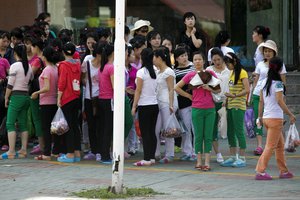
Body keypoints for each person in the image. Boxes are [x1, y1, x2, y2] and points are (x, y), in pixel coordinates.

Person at [175, 51, 220, 171]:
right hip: (196, 108)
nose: (197, 62)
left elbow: (218, 89)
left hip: (210, 108)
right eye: (195, 59)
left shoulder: (210, 73)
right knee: (198, 135)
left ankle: (207, 162)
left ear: (204, 61)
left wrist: (209, 88)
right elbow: (176, 87)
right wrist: (189, 96)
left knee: (208, 135)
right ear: (192, 61)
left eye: (200, 59)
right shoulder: (190, 75)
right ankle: (199, 161)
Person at [255, 57, 296, 180]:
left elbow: (261, 102)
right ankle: (260, 171)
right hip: (275, 119)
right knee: (271, 146)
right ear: (280, 68)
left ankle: (283, 171)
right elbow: (280, 101)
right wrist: (290, 114)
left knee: (279, 145)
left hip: (267, 118)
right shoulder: (278, 83)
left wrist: (260, 117)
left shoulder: (264, 82)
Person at [252, 40, 286, 155]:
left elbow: (283, 82)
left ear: (274, 52)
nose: (267, 53)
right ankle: (260, 145)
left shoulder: (280, 65)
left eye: (269, 51)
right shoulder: (260, 64)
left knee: (272, 120)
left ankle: (274, 143)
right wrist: (251, 95)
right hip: (259, 94)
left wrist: (282, 97)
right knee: (259, 118)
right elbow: (256, 81)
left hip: (273, 96)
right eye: (265, 51)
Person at [0, 43, 33, 159]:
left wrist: (6, 97)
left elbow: (10, 85)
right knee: (23, 124)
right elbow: (31, 80)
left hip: (16, 96)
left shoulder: (15, 66)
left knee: (10, 123)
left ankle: (11, 151)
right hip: (26, 97)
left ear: (15, 54)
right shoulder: (28, 66)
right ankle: (23, 150)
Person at [31, 46, 61, 160]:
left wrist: (36, 93)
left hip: (46, 102)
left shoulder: (47, 70)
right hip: (54, 101)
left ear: (45, 56)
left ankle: (47, 153)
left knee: (46, 128)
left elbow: (47, 87)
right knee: (54, 128)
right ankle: (55, 151)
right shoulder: (55, 68)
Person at [221, 52, 250, 167]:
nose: (227, 66)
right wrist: (226, 101)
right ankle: (233, 156)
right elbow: (232, 89)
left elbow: (247, 89)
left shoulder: (242, 72)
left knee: (239, 131)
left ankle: (242, 158)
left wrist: (235, 96)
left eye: (228, 63)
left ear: (234, 61)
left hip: (238, 105)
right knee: (230, 131)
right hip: (231, 105)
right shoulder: (232, 73)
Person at [131, 48, 159, 166]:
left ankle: (146, 159)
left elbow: (138, 90)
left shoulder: (141, 72)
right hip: (154, 104)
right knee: (151, 132)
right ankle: (151, 157)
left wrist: (134, 106)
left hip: (144, 105)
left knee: (145, 132)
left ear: (142, 58)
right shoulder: (156, 70)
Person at [57, 42, 81, 163]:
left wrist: (58, 98)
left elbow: (62, 83)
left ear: (63, 52)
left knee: (68, 127)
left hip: (67, 98)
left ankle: (70, 154)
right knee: (75, 126)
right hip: (76, 97)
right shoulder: (78, 64)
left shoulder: (63, 65)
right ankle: (77, 152)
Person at [153, 46, 178, 164]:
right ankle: (156, 152)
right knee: (156, 129)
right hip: (158, 103)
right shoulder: (158, 71)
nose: (153, 59)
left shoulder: (169, 72)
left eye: (154, 57)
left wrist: (171, 105)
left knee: (168, 130)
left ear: (159, 58)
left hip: (167, 103)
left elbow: (171, 89)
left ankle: (169, 154)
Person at [206, 48, 230, 163]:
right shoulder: (209, 70)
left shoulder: (229, 71)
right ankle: (218, 153)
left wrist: (228, 99)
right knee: (212, 129)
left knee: (227, 128)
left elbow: (231, 87)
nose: (217, 62)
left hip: (225, 102)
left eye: (219, 59)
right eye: (214, 60)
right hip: (211, 102)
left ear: (222, 58)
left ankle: (234, 153)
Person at [81, 42, 102, 161]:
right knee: (91, 125)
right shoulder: (87, 62)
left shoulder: (105, 65)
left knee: (100, 125)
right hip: (89, 98)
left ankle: (100, 150)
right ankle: (94, 150)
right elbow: (82, 77)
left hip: (101, 97)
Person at [173, 47, 195, 161]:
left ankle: (195, 152)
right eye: (182, 56)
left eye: (186, 55)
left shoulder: (193, 68)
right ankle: (187, 151)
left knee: (194, 128)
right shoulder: (174, 71)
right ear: (176, 58)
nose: (184, 58)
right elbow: (174, 88)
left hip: (195, 101)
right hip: (182, 102)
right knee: (186, 128)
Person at [97, 43, 114, 164]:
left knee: (103, 128)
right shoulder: (111, 67)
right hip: (109, 100)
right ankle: (106, 156)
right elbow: (115, 86)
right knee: (108, 128)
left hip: (101, 99)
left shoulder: (102, 68)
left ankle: (103, 153)